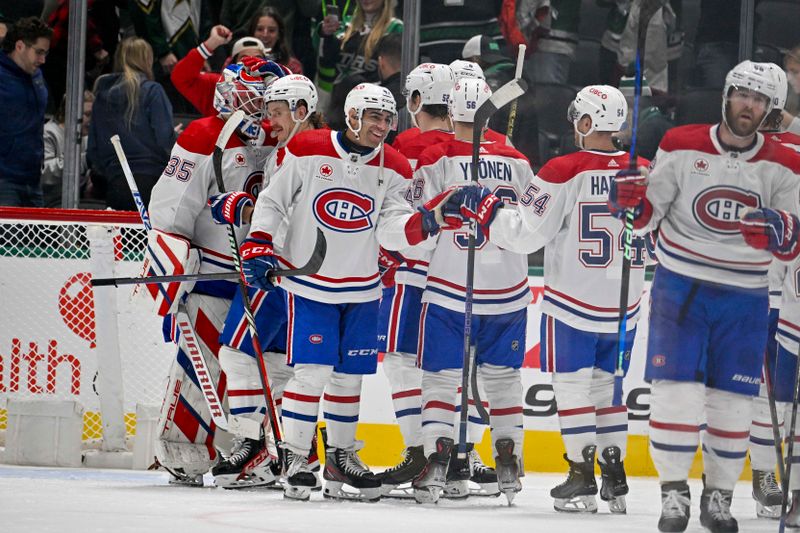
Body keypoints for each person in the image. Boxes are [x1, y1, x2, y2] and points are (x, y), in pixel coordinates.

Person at [239, 82, 460, 502]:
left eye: (388, 118)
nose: (383, 125)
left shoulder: (394, 164)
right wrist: (260, 240)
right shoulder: (309, 148)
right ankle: (297, 458)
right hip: (311, 283)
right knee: (314, 372)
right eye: (375, 117)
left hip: (362, 289)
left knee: (349, 376)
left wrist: (425, 223)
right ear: (353, 116)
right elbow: (273, 200)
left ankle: (341, 459)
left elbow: (392, 224)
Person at [608, 60, 800, 532]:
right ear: (726, 95)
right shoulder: (681, 142)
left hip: (747, 296)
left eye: (758, 100)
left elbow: (795, 238)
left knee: (733, 401)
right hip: (682, 289)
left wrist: (779, 229)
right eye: (741, 94)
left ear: (771, 110)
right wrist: (628, 200)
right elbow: (647, 216)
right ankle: (674, 495)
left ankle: (718, 497)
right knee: (675, 395)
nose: (747, 105)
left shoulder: (786, 164)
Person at [454, 84, 650, 513]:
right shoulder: (645, 170)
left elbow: (526, 235)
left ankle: (582, 474)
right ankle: (614, 472)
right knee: (609, 385)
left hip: (574, 302)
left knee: (574, 386)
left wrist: (488, 213)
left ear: (585, 122)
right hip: (625, 305)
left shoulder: (564, 168)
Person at [143, 61, 275, 487]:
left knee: (259, 370)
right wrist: (172, 258)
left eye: (266, 98)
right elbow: (170, 208)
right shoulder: (203, 136)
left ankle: (259, 451)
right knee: (202, 366)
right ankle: (184, 452)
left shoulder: (280, 138)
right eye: (253, 95)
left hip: (260, 274)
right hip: (212, 273)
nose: (260, 107)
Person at [409, 78, 531, 505]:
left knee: (440, 379)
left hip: (449, 286)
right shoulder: (516, 159)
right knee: (503, 379)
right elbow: (531, 227)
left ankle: (438, 460)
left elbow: (417, 227)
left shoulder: (435, 155)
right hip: (510, 289)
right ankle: (509, 458)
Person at [207, 73, 326, 489]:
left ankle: (249, 441)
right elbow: (282, 207)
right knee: (277, 365)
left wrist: (256, 232)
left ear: (300, 110)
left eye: (276, 112)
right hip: (295, 271)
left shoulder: (305, 151)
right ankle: (296, 450)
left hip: (277, 268)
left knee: (237, 355)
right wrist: (246, 207)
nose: (269, 121)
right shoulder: (291, 150)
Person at [746, 63, 800, 520]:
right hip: (749, 286)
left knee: (781, 392)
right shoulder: (735, 149)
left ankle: (781, 476)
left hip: (789, 292)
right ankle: (763, 471)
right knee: (753, 389)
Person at [87, 38, 175, 211]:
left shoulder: (102, 95)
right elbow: (165, 138)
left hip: (117, 182)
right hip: (152, 181)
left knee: (121, 238)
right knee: (148, 238)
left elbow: (93, 150)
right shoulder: (152, 90)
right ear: (147, 59)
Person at [317, 0, 402, 115]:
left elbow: (396, 75)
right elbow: (325, 62)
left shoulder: (396, 28)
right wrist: (325, 35)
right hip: (336, 103)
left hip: (371, 105)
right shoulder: (343, 25)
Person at [0, 16, 51, 207]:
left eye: (45, 53)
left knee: (37, 238)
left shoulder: (36, 75)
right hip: (5, 180)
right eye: (38, 52)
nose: (43, 60)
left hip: (33, 179)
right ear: (20, 46)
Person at [171, 26, 275, 117]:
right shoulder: (216, 85)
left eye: (258, 59)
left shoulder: (276, 89)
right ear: (233, 63)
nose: (251, 64)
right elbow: (181, 78)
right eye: (244, 59)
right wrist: (210, 44)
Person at [42, 91, 94, 207]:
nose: (92, 120)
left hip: (77, 203)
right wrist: (80, 161)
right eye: (88, 114)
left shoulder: (86, 138)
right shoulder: (48, 133)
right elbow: (44, 173)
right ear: (71, 113)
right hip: (50, 203)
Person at [247, 7, 303, 74]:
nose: (265, 35)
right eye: (260, 29)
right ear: (252, 32)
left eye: (271, 30)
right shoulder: (238, 60)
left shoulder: (293, 66)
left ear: (279, 34)